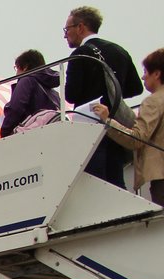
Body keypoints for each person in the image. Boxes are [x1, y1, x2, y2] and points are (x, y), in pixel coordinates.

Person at [63, 6, 144, 188]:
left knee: (94, 182)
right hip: (115, 125)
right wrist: (112, 96)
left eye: (67, 29)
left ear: (80, 27)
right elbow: (136, 88)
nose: (65, 35)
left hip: (89, 125)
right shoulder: (119, 51)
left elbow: (71, 94)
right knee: (116, 180)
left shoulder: (80, 54)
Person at [94, 49, 164, 205]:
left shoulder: (153, 102)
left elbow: (137, 139)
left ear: (157, 74)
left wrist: (108, 120)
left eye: (146, 71)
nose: (143, 76)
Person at [2, 49, 61, 137]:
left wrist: (5, 132)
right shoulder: (54, 93)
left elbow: (15, 109)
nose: (16, 73)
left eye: (17, 67)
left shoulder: (26, 80)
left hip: (30, 135)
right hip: (51, 134)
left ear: (25, 67)